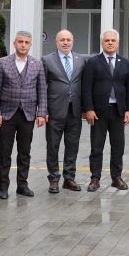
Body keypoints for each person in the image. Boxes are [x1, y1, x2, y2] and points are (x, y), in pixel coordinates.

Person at [0, 30, 47, 199]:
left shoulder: (37, 64)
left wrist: (41, 113)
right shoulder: (3, 63)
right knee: (5, 152)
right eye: (20, 42)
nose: (23, 45)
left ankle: (22, 185)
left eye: (26, 42)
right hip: (7, 114)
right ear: (14, 43)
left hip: (28, 114)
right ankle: (3, 187)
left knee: (25, 152)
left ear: (30, 45)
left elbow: (42, 91)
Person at [83, 29, 129, 191]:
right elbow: (86, 87)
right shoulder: (92, 62)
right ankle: (95, 178)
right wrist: (88, 109)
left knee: (118, 146)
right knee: (97, 147)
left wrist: (128, 109)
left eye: (113, 40)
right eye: (107, 40)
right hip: (98, 112)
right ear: (102, 43)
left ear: (117, 43)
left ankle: (116, 177)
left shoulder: (124, 62)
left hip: (118, 111)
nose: (110, 43)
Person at [41, 29, 85, 193]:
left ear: (72, 41)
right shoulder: (47, 60)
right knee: (53, 146)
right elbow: (42, 87)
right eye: (62, 40)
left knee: (72, 146)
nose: (66, 43)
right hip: (54, 111)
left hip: (75, 111)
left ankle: (69, 178)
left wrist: (85, 108)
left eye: (68, 40)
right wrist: (43, 110)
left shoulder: (81, 60)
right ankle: (53, 179)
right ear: (56, 42)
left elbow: (84, 85)